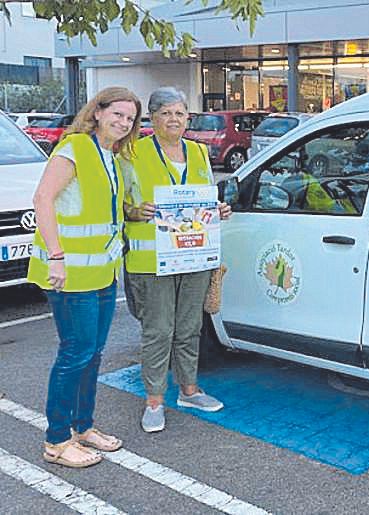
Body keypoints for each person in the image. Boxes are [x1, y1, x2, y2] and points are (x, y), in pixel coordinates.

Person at [27, 87, 141, 467]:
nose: (123, 123)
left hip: (102, 272)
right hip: (69, 273)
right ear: (98, 111)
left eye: (129, 118)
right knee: (75, 353)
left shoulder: (111, 155)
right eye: (118, 114)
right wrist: (56, 257)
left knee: (92, 355)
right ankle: (57, 441)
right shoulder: (74, 148)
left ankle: (82, 427)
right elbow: (43, 199)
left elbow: (105, 211)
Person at [121, 87, 231, 433]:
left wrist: (218, 209)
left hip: (193, 255)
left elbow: (203, 197)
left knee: (189, 328)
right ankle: (154, 400)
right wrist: (134, 212)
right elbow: (117, 203)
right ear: (152, 118)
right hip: (151, 261)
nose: (173, 119)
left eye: (179, 113)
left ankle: (189, 390)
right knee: (158, 331)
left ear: (188, 118)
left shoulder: (198, 152)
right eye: (166, 113)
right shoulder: (132, 152)